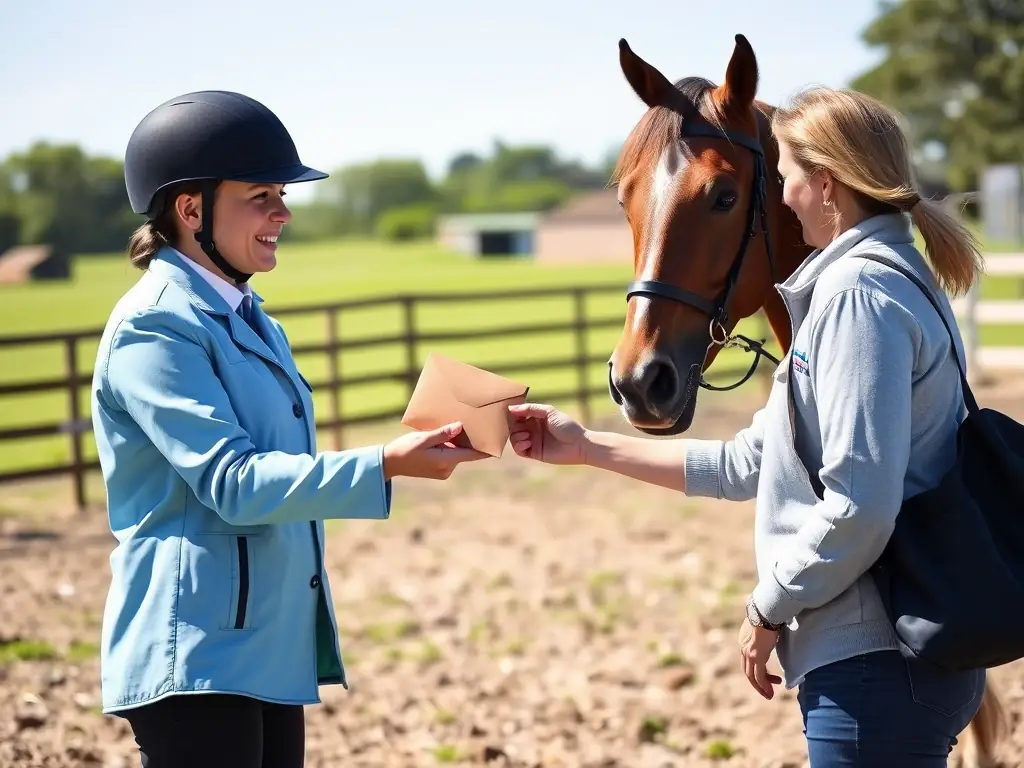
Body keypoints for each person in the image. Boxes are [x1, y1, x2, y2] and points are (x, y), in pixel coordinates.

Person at [507, 86, 989, 766]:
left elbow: (859, 504)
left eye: (787, 176)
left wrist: (766, 607)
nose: (784, 199)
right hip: (893, 661)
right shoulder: (892, 280)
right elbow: (750, 464)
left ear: (825, 185)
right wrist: (584, 446)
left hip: (875, 664)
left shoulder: (855, 297)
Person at [90, 90, 488, 768]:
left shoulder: (252, 318)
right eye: (262, 195)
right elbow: (233, 483)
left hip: (265, 642)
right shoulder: (154, 327)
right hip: (196, 649)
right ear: (191, 211)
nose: (284, 212)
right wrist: (384, 463)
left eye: (281, 194)